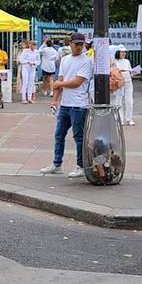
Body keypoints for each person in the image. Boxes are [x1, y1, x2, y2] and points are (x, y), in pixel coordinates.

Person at [41, 33, 92, 178]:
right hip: (65, 104)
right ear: (70, 44)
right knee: (59, 134)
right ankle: (57, 164)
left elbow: (77, 82)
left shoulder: (86, 61)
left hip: (79, 104)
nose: (79, 47)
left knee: (79, 137)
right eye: (76, 44)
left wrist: (59, 84)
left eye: (81, 44)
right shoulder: (64, 60)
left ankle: (81, 166)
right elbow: (61, 80)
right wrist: (55, 99)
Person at [114, 45, 136, 125]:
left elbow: (130, 71)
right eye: (122, 52)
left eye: (124, 52)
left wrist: (133, 73)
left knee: (129, 101)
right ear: (118, 52)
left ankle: (129, 119)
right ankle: (120, 118)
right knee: (119, 100)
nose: (123, 53)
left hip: (128, 81)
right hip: (119, 82)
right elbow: (114, 72)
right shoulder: (115, 61)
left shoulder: (127, 61)